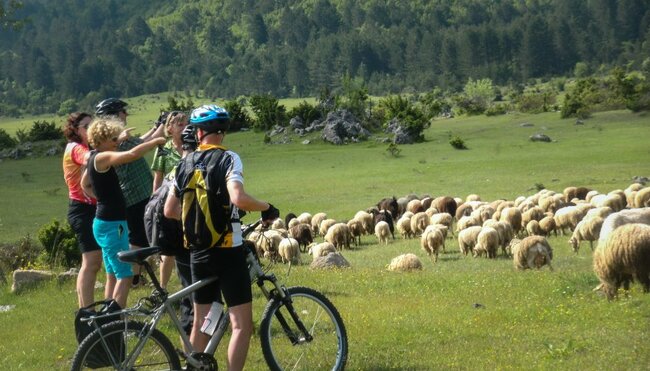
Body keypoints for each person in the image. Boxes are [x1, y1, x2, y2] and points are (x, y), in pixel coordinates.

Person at [164, 105, 279, 370]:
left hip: (197, 252)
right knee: (241, 323)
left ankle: (196, 367)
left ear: (199, 132)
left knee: (203, 318)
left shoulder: (184, 163)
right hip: (227, 250)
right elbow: (237, 197)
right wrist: (266, 207)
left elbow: (170, 210)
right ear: (222, 132)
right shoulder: (229, 158)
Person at [81, 117, 166, 308]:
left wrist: (103, 198)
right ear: (101, 140)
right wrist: (155, 141)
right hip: (112, 225)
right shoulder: (103, 157)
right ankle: (116, 318)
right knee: (126, 275)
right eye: (113, 139)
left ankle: (107, 313)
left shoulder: (94, 157)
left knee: (112, 273)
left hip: (105, 222)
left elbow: (84, 184)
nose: (116, 143)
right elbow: (132, 155)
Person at [95, 98, 165, 287]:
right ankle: (133, 277)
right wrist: (161, 127)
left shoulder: (117, 139)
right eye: (122, 111)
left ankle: (134, 276)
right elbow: (142, 145)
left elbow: (140, 141)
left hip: (134, 194)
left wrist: (157, 126)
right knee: (139, 237)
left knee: (138, 236)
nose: (125, 114)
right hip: (136, 195)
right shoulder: (118, 142)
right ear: (114, 115)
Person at [62, 112, 103, 308]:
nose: (90, 129)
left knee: (94, 263)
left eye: (92, 125)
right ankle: (86, 311)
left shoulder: (86, 146)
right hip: (82, 210)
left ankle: (87, 310)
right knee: (91, 262)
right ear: (76, 130)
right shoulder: (75, 148)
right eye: (86, 126)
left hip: (91, 208)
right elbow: (89, 159)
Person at [150, 111, 188, 289]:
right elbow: (157, 179)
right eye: (180, 125)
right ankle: (162, 289)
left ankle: (188, 286)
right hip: (169, 204)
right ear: (170, 128)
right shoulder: (163, 149)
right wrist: (154, 202)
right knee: (168, 251)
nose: (185, 128)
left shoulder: (193, 146)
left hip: (189, 203)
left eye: (187, 124)